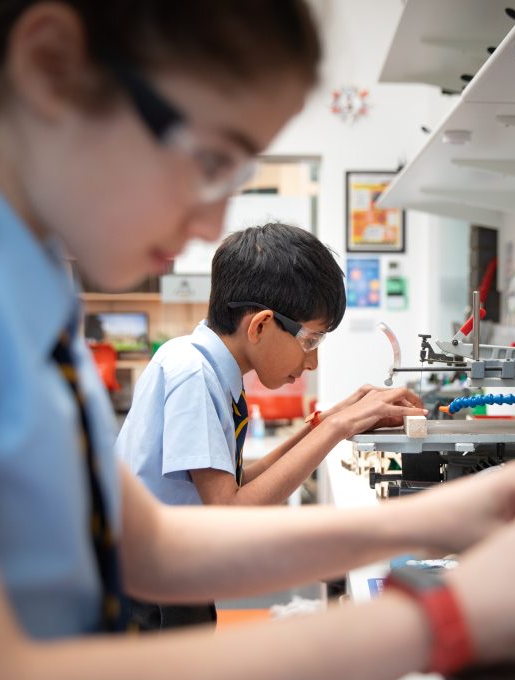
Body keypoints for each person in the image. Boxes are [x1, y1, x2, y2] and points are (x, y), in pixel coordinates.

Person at [0, 2, 515, 680]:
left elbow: (146, 542)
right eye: (211, 161)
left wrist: (431, 519)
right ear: (50, 69)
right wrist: (443, 615)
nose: (211, 224)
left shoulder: (31, 286)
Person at [116, 221, 426, 630]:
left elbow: (237, 484)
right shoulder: (193, 374)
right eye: (310, 341)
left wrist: (331, 422)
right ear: (261, 325)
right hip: (149, 599)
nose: (311, 362)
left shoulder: (204, 366)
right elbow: (230, 516)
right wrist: (334, 429)